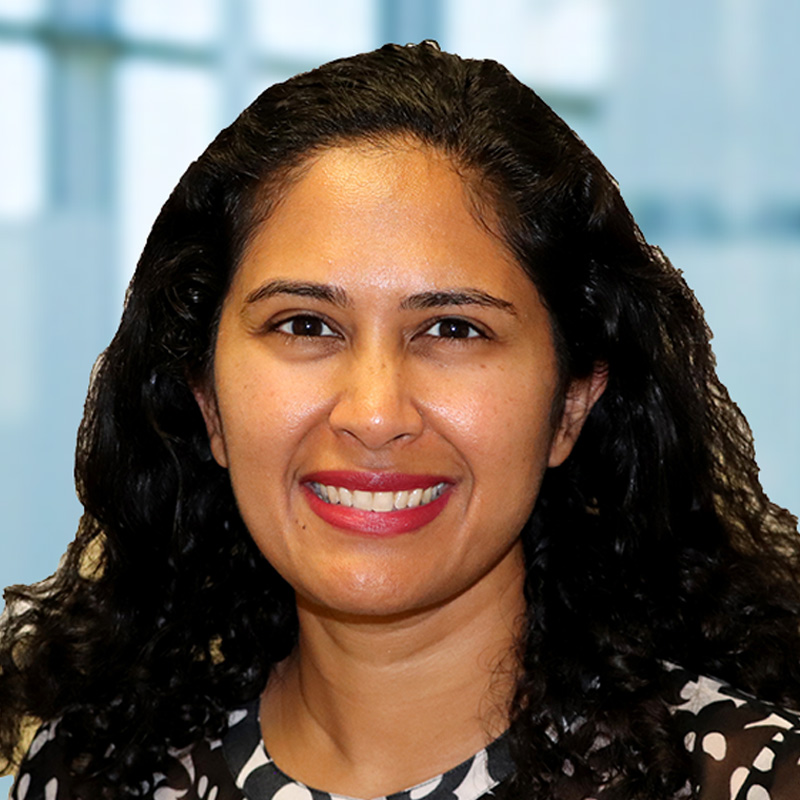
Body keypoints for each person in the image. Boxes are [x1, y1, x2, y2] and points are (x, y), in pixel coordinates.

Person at [2, 41, 800, 800]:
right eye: (304, 325)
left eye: (453, 329)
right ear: (207, 400)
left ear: (569, 406)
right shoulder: (93, 775)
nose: (375, 415)